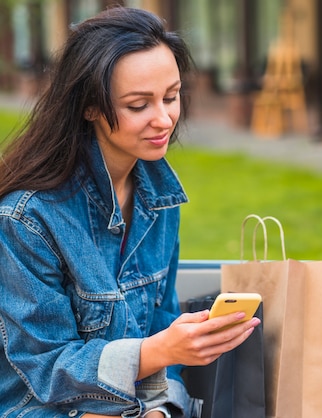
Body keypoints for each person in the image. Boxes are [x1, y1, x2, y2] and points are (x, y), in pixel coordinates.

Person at [0, 7, 259, 418]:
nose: (164, 119)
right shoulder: (26, 219)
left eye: (171, 97)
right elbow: (44, 369)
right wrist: (156, 351)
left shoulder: (160, 200)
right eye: (139, 105)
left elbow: (162, 323)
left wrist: (160, 410)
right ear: (89, 107)